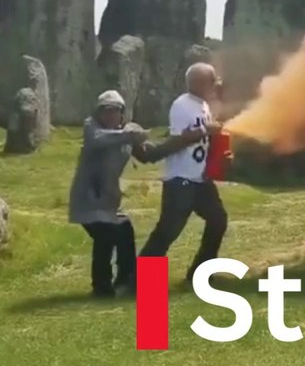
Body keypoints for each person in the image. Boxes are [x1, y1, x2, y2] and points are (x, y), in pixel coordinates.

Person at [68, 91, 204, 298]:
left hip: (108, 200)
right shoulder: (92, 127)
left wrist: (182, 140)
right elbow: (98, 140)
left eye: (115, 110)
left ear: (122, 113)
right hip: (88, 198)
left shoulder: (126, 132)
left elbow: (150, 154)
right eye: (106, 110)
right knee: (106, 237)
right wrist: (133, 133)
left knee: (124, 232)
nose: (110, 115)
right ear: (98, 112)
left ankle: (126, 279)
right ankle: (101, 288)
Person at [138, 63, 230, 283]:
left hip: (199, 179)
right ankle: (140, 281)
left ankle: (200, 273)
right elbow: (177, 140)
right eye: (211, 80)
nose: (215, 84)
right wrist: (204, 130)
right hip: (181, 180)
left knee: (218, 220)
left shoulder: (203, 105)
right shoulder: (182, 105)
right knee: (167, 232)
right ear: (199, 82)